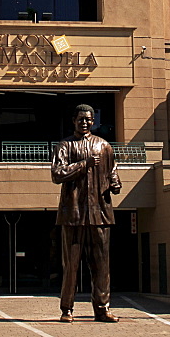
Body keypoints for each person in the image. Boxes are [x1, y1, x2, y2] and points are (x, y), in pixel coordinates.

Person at [52, 104, 122, 323]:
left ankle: (102, 308)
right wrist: (85, 164)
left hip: (100, 212)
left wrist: (115, 182)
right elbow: (57, 174)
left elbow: (112, 170)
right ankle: (67, 309)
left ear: (94, 121)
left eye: (88, 119)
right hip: (73, 213)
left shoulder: (104, 146)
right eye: (80, 119)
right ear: (74, 120)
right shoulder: (65, 145)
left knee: (102, 265)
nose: (84, 122)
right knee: (71, 266)